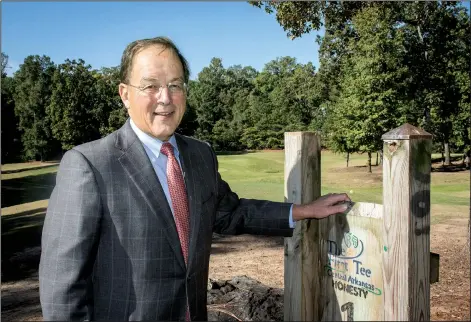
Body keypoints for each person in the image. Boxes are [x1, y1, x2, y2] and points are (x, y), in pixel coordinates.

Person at [39, 36, 350, 321]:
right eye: (151, 86)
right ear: (125, 94)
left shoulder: (200, 155)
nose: (166, 98)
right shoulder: (89, 164)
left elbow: (231, 212)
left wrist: (304, 210)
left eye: (175, 85)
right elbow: (62, 286)